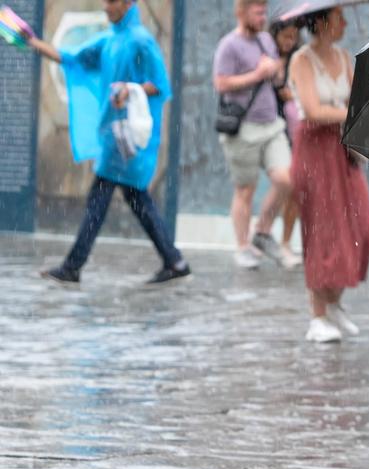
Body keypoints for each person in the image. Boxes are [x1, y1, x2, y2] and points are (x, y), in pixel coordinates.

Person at [29, 0, 190, 287]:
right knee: (136, 200)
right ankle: (173, 259)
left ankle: (73, 266)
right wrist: (34, 43)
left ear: (128, 3)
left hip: (128, 141)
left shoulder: (141, 41)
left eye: (112, 1)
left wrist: (131, 89)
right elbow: (72, 59)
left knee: (102, 201)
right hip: (113, 140)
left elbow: (161, 85)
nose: (106, 7)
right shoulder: (109, 39)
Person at [288, 7, 369, 343]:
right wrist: (348, 114)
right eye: (339, 17)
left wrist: (355, 117)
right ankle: (318, 315)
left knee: (360, 227)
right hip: (313, 150)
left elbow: (357, 102)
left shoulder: (342, 56)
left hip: (343, 148)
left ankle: (335, 302)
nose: (345, 23)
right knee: (322, 230)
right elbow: (311, 110)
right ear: (321, 22)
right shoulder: (301, 60)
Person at [213, 0, 292, 270]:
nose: (263, 16)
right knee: (245, 189)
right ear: (242, 12)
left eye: (264, 11)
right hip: (243, 128)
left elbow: (277, 76)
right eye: (258, 11)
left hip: (271, 124)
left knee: (286, 179)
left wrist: (275, 69)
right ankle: (242, 246)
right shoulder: (229, 45)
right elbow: (221, 83)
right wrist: (257, 74)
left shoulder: (266, 42)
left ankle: (263, 230)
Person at [269, 17, 303, 269]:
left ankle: (285, 241)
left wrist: (292, 92)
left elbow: (302, 92)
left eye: (293, 37)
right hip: (270, 132)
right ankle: (264, 235)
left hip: (295, 133)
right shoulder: (265, 57)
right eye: (285, 37)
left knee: (294, 190)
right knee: (283, 185)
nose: (289, 42)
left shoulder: (298, 59)